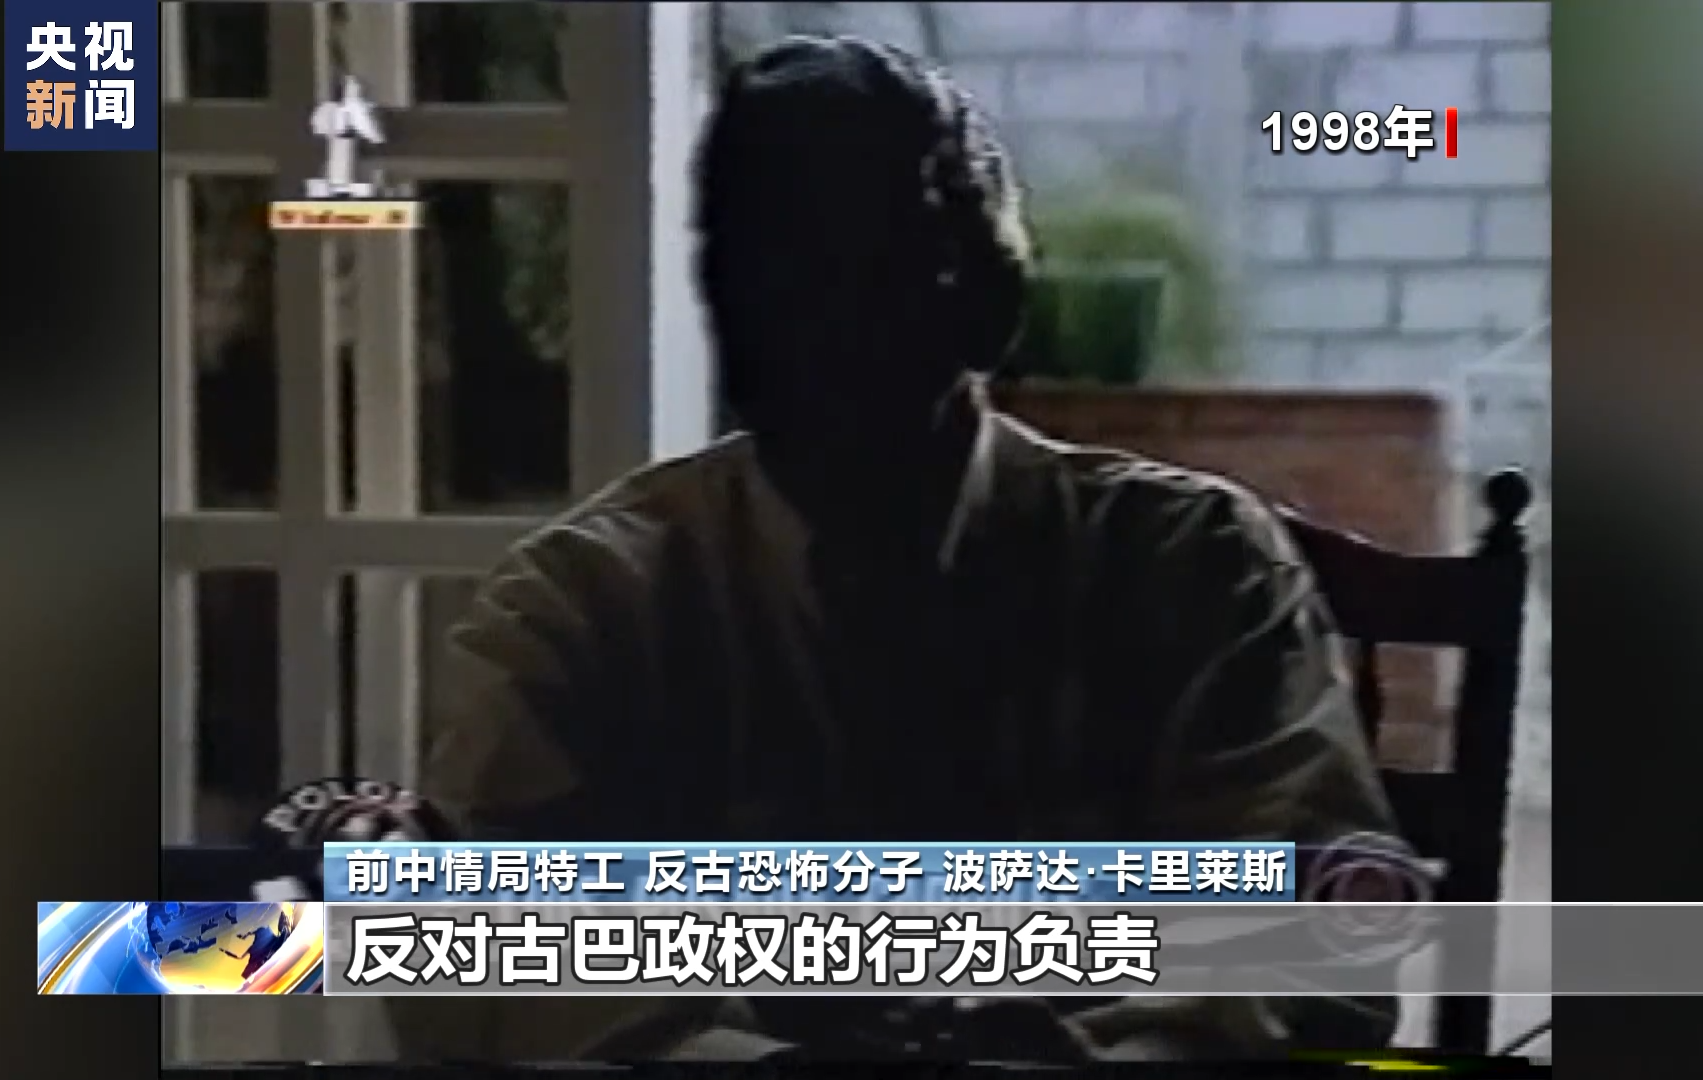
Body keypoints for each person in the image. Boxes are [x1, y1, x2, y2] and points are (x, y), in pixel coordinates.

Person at [390, 35, 1398, 1062]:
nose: (808, 313)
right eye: (764, 256)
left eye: (870, 259)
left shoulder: (1194, 566)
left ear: (988, 292)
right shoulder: (587, 602)